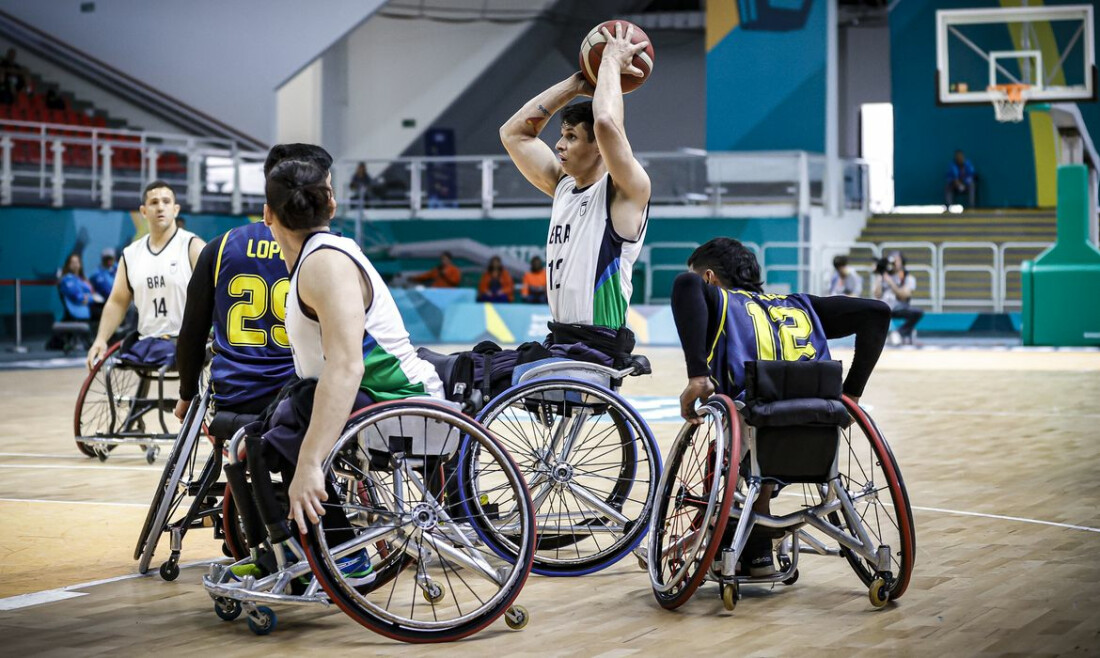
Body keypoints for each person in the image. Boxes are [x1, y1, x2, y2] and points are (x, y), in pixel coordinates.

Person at [672, 237, 890, 576]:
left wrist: (698, 375)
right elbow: (878, 312)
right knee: (763, 425)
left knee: (739, 434)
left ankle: (744, 537)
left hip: (757, 425)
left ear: (710, 278)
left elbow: (686, 285)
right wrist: (852, 394)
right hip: (818, 425)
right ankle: (758, 542)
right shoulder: (801, 305)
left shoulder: (721, 300)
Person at [260, 153, 444, 535]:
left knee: (295, 418)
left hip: (400, 398)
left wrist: (310, 460)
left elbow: (347, 367)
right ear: (331, 205)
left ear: (267, 214)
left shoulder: (325, 265)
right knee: (281, 418)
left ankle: (342, 555)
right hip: (378, 395)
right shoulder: (317, 257)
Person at [500, 22, 650, 358]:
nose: (559, 145)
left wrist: (610, 60)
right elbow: (513, 134)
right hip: (560, 338)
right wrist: (574, 85)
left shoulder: (625, 191)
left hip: (598, 345)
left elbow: (607, 123)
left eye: (571, 137)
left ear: (599, 147)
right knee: (474, 369)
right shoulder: (563, 187)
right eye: (561, 135)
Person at [173, 144, 333, 422]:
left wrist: (187, 393)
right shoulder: (330, 253)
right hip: (301, 397)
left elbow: (192, 333)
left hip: (233, 395)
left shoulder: (219, 246)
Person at [86, 181, 203, 369]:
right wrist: (100, 339)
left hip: (187, 340)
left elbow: (215, 294)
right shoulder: (131, 254)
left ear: (175, 209)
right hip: (147, 341)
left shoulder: (193, 246)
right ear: (144, 211)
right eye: (154, 202)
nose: (160, 207)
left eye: (166, 201)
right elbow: (117, 301)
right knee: (113, 369)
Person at [873, 250, 923, 346]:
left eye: (896, 260)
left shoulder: (907, 277)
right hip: (884, 307)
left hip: (898, 308)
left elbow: (904, 296)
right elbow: (877, 295)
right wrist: (880, 275)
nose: (894, 263)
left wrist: (891, 283)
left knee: (917, 312)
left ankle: (898, 333)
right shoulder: (883, 276)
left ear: (902, 262)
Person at [58, 253, 93, 321]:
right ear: (68, 265)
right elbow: (76, 296)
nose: (75, 265)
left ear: (80, 264)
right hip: (74, 317)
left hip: (85, 315)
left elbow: (91, 297)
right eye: (73, 262)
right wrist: (84, 298)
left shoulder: (81, 280)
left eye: (77, 262)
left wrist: (88, 299)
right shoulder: (66, 280)